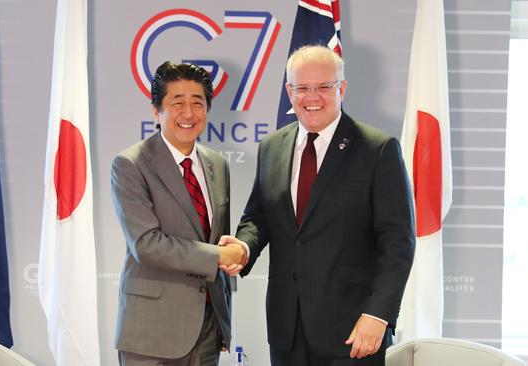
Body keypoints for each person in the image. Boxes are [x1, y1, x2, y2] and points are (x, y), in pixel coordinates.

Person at [222, 45, 416, 365]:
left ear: (342, 88)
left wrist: (378, 315)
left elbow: (399, 243)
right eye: (302, 88)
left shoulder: (378, 150)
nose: (312, 97)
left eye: (324, 86)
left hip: (354, 332)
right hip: (288, 331)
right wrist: (244, 247)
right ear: (289, 91)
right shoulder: (272, 147)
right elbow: (258, 216)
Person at [111, 61, 246, 366]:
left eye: (197, 103)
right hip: (152, 333)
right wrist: (217, 257)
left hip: (208, 330)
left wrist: (231, 258)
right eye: (177, 103)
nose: (189, 113)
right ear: (156, 111)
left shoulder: (217, 164)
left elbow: (216, 239)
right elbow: (146, 244)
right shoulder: (131, 164)